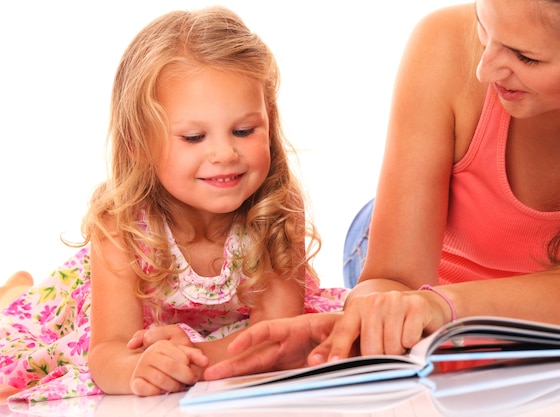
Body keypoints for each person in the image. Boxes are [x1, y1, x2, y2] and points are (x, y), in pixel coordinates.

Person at [202, 0, 560, 380]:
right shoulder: (444, 43)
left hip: (442, 303)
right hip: (418, 267)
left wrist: (443, 307)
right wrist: (369, 320)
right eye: (483, 27)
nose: (484, 69)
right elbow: (392, 280)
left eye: (526, 57)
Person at [0, 6, 347, 402]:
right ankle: (13, 290)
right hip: (93, 300)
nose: (224, 153)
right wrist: (136, 368)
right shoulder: (121, 225)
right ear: (138, 144)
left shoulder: (275, 209)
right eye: (194, 137)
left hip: (213, 336)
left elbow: (278, 336)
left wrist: (194, 354)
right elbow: (107, 350)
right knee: (24, 321)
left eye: (244, 130)